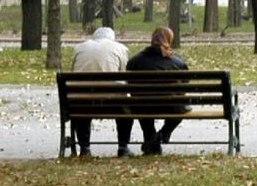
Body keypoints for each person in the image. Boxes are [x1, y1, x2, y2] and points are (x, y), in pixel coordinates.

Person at [126, 26, 189, 155]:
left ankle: (151, 140)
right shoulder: (178, 62)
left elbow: (130, 84)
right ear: (169, 40)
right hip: (171, 107)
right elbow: (185, 86)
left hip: (143, 106)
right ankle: (162, 135)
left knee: (141, 104)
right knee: (182, 105)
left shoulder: (135, 61)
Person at [70, 26, 132, 157]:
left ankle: (85, 148)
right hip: (113, 104)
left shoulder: (79, 48)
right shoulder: (120, 48)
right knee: (126, 107)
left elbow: (73, 72)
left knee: (82, 104)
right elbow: (125, 76)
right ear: (112, 38)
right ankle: (123, 147)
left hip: (82, 103)